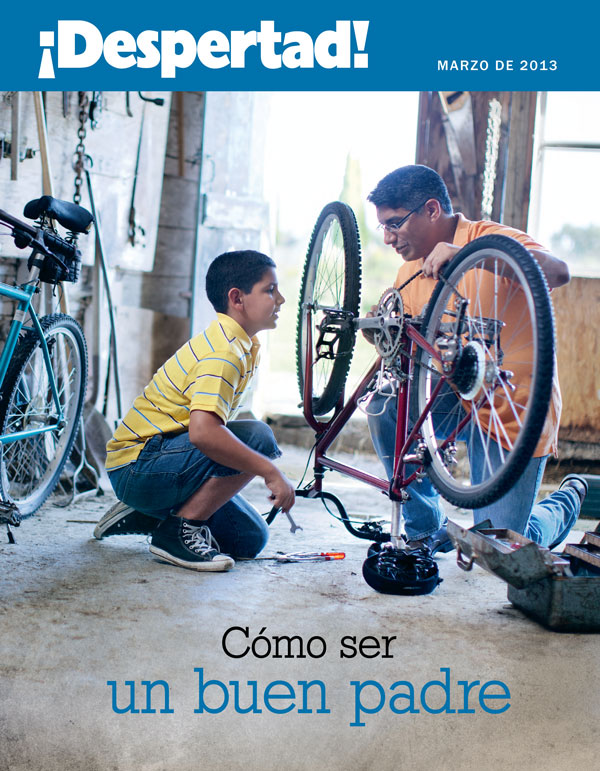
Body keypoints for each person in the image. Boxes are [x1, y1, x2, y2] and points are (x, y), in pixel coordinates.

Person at [365, 164, 587, 553]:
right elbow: (407, 346)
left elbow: (559, 272)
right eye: (383, 227)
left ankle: (566, 501)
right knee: (384, 405)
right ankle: (425, 528)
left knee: (501, 547)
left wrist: (469, 255)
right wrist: (382, 331)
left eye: (395, 224)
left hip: (513, 411)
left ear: (431, 209)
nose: (388, 237)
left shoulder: (491, 238)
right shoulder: (409, 273)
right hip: (455, 401)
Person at [93, 250, 295, 572]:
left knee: (248, 539)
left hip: (159, 460)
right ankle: (176, 532)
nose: (281, 299)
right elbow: (203, 434)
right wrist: (270, 472)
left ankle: (148, 512)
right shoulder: (223, 354)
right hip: (138, 466)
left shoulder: (241, 344)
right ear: (237, 299)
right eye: (270, 290)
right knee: (257, 437)